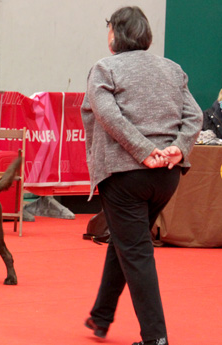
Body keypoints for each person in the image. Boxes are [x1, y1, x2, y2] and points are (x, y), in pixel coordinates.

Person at [80, 6, 202, 345]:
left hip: (124, 175)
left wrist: (143, 151)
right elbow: (194, 116)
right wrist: (178, 149)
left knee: (136, 251)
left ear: (116, 34)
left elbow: (109, 117)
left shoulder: (105, 68)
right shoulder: (172, 68)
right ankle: (101, 316)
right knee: (125, 240)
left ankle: (155, 338)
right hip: (167, 176)